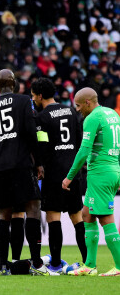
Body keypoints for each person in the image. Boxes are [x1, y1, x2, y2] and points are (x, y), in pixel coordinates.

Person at [0, 69, 54, 275]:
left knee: (4, 214)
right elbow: (31, 133)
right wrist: (38, 163)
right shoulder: (22, 102)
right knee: (33, 207)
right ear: (15, 84)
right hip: (20, 164)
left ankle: (3, 265)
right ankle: (37, 263)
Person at [62, 87, 120, 277]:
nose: (77, 109)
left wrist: (69, 176)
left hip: (100, 172)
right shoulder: (111, 113)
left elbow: (84, 151)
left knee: (105, 218)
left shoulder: (92, 118)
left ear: (88, 102)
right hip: (112, 169)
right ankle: (90, 265)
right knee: (87, 214)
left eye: (78, 105)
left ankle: (119, 266)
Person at [31, 78, 87, 273]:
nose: (33, 99)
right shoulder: (72, 111)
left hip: (54, 173)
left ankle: (55, 264)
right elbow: (80, 140)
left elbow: (43, 147)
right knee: (77, 218)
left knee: (54, 218)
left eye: (33, 96)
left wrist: (40, 166)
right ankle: (88, 262)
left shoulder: (42, 118)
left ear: (39, 96)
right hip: (73, 172)